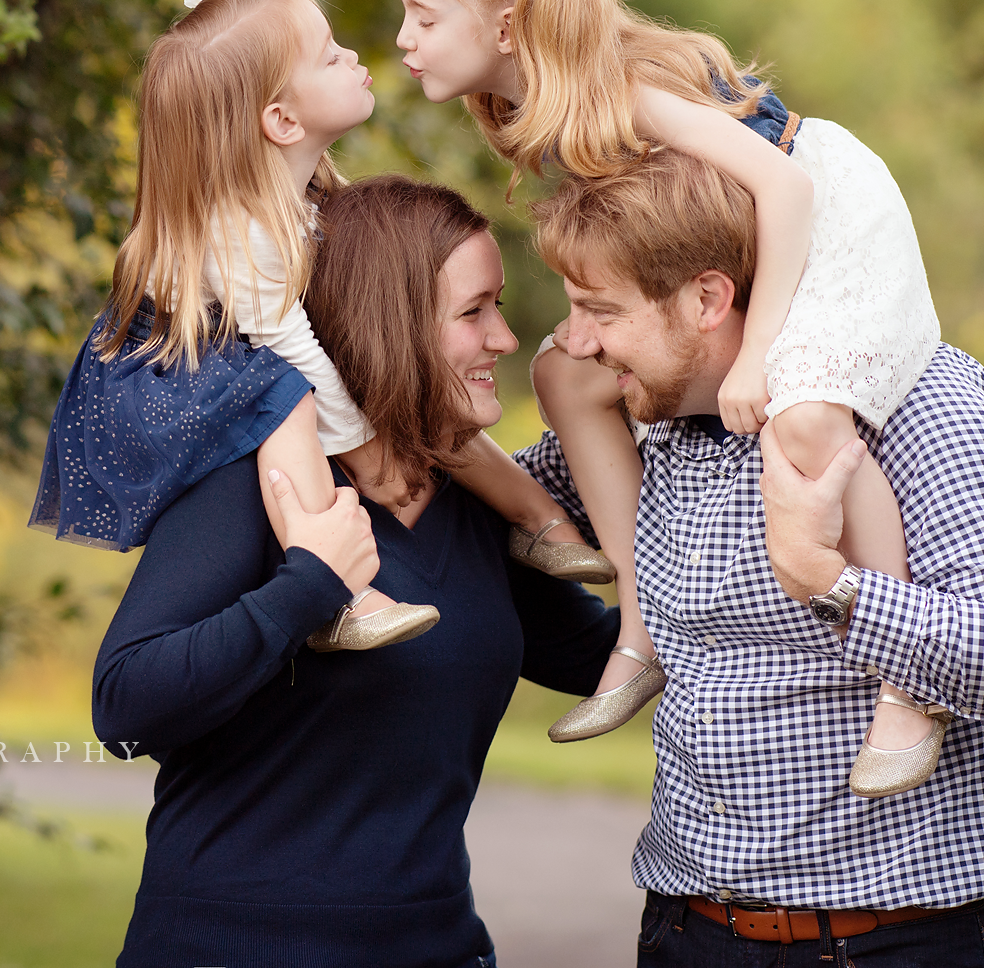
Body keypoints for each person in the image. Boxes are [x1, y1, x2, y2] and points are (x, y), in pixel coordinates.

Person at [397, 0, 947, 794]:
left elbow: (787, 190)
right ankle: (641, 632)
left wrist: (764, 349)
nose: (404, 39)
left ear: (505, 26)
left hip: (828, 216)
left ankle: (912, 681)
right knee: (564, 374)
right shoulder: (539, 108)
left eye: (422, 16)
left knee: (807, 418)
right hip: (743, 242)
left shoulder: (619, 88)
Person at [521, 151, 984, 965]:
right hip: (685, 932)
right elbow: (480, 517)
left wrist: (830, 583)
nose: (577, 340)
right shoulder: (651, 413)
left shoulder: (920, 401)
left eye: (600, 310)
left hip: (894, 945)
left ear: (708, 298)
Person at [94, 175, 620, 968]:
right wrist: (307, 585)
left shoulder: (475, 510)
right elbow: (125, 705)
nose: (506, 339)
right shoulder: (256, 486)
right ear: (392, 325)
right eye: (474, 312)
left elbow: (608, 658)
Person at [32, 0, 610, 653]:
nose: (354, 53)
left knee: (416, 392)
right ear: (281, 120)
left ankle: (542, 523)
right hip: (182, 376)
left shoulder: (299, 199)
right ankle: (340, 591)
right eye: (330, 54)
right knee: (288, 407)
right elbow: (298, 361)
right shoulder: (241, 238)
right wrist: (372, 455)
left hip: (257, 360)